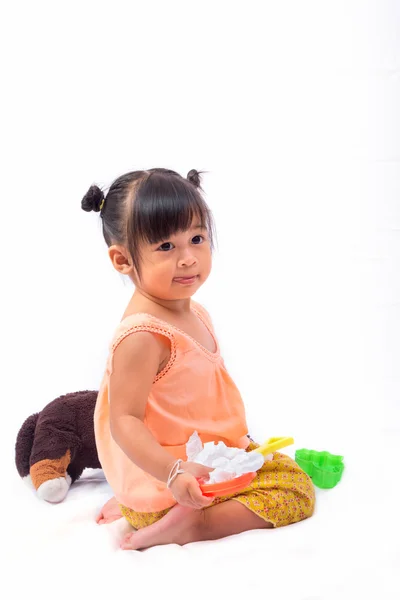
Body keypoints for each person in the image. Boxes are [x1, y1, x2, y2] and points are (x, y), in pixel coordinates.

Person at [82, 167, 315, 551]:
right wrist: (171, 474)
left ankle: (143, 500)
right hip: (177, 481)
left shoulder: (193, 312)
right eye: (166, 247)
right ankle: (188, 524)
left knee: (280, 463)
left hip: (195, 466)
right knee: (296, 490)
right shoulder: (143, 335)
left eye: (196, 238)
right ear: (122, 260)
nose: (189, 258)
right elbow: (124, 422)